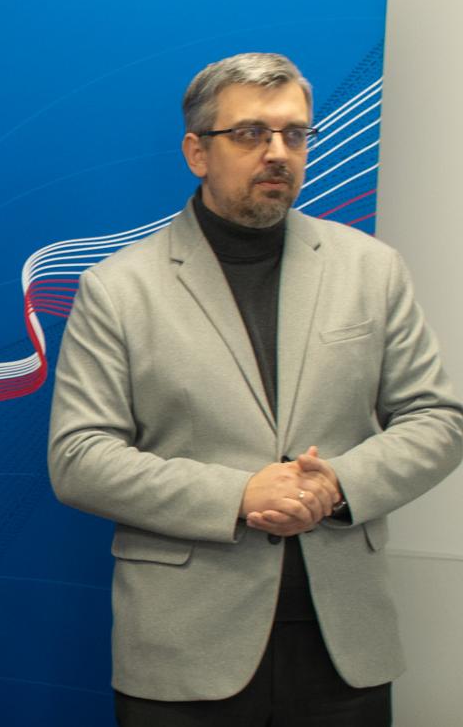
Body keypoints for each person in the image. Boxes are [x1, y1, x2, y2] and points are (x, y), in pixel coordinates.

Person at [49, 52, 463, 725]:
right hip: (184, 650)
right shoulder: (119, 289)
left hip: (343, 645)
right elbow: (79, 459)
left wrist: (335, 486)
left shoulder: (371, 269)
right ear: (197, 152)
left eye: (294, 134)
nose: (277, 152)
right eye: (250, 133)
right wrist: (239, 495)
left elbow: (437, 419)